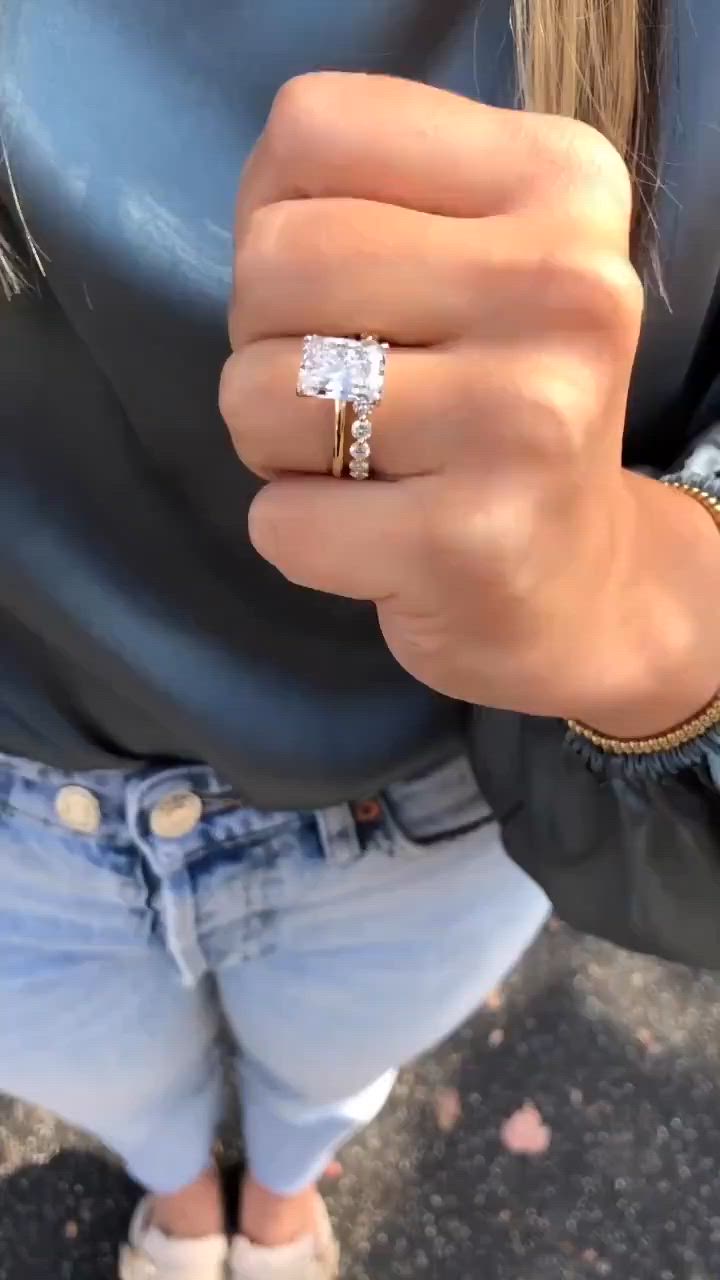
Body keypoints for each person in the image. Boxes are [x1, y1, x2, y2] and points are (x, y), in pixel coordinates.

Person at [1, 1, 719, 1277]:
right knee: (124, 1096)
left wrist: (641, 587)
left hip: (420, 807)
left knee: (330, 1079)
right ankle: (184, 1195)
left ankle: (271, 1196)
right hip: (29, 823)